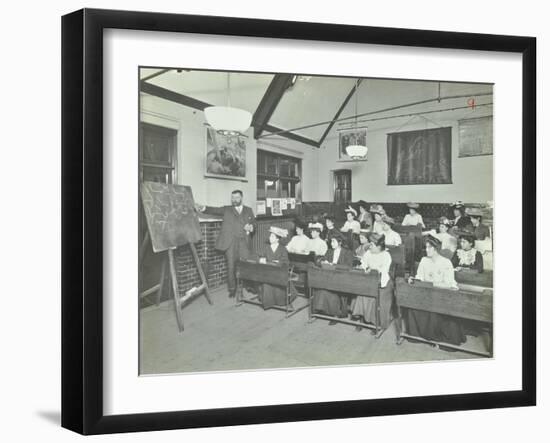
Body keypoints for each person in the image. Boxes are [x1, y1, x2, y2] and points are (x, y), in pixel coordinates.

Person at [404, 235, 466, 346]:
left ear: (436, 249)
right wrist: (413, 279)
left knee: (437, 308)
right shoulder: (424, 260)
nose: (426, 250)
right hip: (428, 292)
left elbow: (449, 284)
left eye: (429, 248)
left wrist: (433, 284)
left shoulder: (446, 262)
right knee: (413, 303)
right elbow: (420, 277)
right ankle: (419, 335)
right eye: (426, 247)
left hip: (442, 293)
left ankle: (436, 337)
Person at [197, 189, 255, 298]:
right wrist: (203, 208)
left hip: (244, 242)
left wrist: (252, 227)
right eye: (232, 198)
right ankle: (232, 289)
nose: (234, 200)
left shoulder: (249, 210)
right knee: (231, 266)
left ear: (241, 198)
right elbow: (214, 210)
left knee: (247, 264)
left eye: (237, 198)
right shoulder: (227, 210)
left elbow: (254, 223)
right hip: (231, 242)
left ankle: (248, 285)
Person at [352, 232, 393, 332]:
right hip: (369, 279)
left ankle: (375, 322)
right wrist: (364, 268)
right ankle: (362, 318)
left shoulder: (386, 255)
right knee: (362, 293)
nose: (370, 246)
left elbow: (384, 270)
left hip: (382, 281)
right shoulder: (368, 253)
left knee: (375, 295)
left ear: (379, 246)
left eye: (372, 245)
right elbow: (364, 264)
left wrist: (373, 271)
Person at [312, 233, 354, 323]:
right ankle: (323, 311)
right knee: (321, 288)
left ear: (340, 242)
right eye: (331, 241)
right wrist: (324, 262)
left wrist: (334, 266)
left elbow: (349, 267)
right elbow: (320, 261)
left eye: (333, 241)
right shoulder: (329, 251)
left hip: (342, 278)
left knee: (332, 290)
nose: (331, 243)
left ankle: (334, 313)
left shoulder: (347, 252)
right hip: (329, 277)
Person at [256, 227, 296, 309]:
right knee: (266, 279)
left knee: (276, 279)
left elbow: (286, 262)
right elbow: (257, 255)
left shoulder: (282, 249)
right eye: (270, 236)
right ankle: (268, 302)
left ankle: (279, 300)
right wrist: (260, 259)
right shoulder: (266, 248)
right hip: (268, 272)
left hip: (279, 272)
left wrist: (279, 262)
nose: (270, 238)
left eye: (272, 237)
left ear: (277, 239)